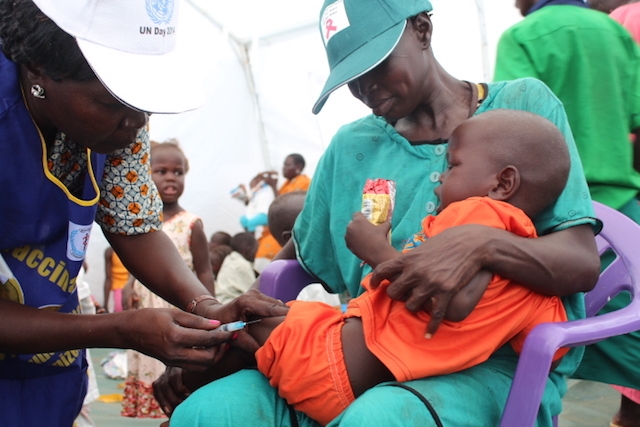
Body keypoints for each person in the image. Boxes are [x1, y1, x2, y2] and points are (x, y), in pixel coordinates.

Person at [158, 1, 601, 426]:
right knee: (209, 412)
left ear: (422, 30)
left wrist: (482, 242)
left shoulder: (521, 109)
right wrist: (217, 334)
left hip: (490, 363)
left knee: (381, 417)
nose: (365, 86)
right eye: (351, 76)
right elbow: (296, 257)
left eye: (377, 63)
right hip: (365, 352)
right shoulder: (352, 147)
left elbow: (580, 264)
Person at [167, 109, 572, 426]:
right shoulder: (530, 273)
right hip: (360, 372)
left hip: (333, 366)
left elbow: (458, 301)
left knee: (248, 318)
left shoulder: (475, 212)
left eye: (452, 167)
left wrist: (376, 248)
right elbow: (543, 345)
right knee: (274, 322)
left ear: (502, 184)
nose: (438, 182)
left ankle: (181, 382)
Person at [0, 1, 287, 425]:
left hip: (44, 374)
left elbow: (133, 225)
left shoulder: (120, 120)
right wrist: (118, 328)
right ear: (38, 67)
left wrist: (206, 307)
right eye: (115, 101)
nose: (137, 122)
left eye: (144, 103)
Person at [493, 2, 640, 426]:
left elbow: (511, 129)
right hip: (627, 217)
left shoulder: (522, 36)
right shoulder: (614, 33)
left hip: (563, 223)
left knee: (536, 352)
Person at [121, 139, 215, 419]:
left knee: (175, 366)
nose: (171, 177)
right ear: (145, 174)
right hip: (147, 308)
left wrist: (208, 313)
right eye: (161, 171)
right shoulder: (141, 221)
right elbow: (137, 261)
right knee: (149, 356)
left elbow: (204, 271)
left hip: (177, 306)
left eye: (178, 171)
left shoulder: (191, 223)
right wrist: (128, 285)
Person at [215, 232, 259, 304]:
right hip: (231, 304)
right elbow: (255, 293)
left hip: (220, 302)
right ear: (248, 249)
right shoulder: (242, 265)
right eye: (255, 250)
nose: (255, 254)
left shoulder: (229, 259)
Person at [102, 246, 130, 313]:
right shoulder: (110, 252)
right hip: (117, 286)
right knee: (118, 310)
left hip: (130, 285)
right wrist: (105, 305)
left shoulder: (132, 251)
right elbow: (108, 278)